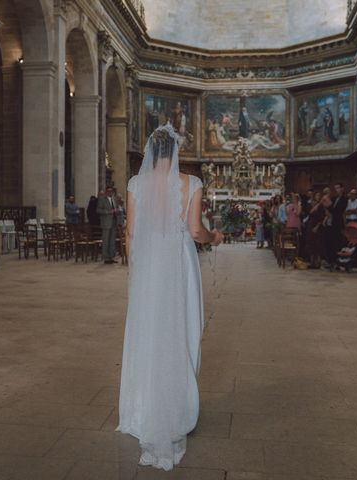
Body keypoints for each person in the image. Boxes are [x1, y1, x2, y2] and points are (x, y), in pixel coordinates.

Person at [117, 124, 223, 471]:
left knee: (147, 332)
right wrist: (216, 237)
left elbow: (131, 232)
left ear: (150, 150)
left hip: (148, 264)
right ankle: (176, 408)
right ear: (176, 150)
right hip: (178, 262)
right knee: (180, 329)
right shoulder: (191, 184)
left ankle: (143, 407)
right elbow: (195, 231)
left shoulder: (136, 183)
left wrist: (135, 271)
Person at [97, 187, 119, 264]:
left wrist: (116, 211)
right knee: (106, 241)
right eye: (109, 191)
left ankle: (111, 257)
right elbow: (98, 210)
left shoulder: (113, 200)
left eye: (111, 191)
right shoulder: (102, 199)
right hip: (106, 223)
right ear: (106, 192)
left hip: (113, 222)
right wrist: (107, 212)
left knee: (112, 241)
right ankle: (106, 258)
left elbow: (115, 208)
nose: (110, 192)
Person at [305, 192, 326, 269]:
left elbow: (321, 218)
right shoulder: (311, 207)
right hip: (310, 226)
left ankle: (318, 263)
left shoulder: (321, 207)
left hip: (317, 227)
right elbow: (309, 214)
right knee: (311, 244)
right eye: (312, 202)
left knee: (318, 245)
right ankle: (312, 262)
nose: (313, 203)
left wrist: (317, 227)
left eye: (319, 196)